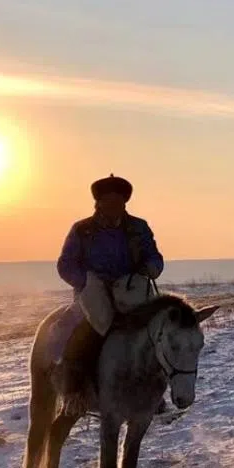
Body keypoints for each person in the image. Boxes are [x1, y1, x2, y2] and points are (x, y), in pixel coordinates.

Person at [55, 175, 164, 411]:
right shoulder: (82, 229)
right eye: (108, 201)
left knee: (156, 330)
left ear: (125, 203)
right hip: (93, 290)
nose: (114, 206)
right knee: (85, 330)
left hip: (129, 287)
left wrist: (150, 268)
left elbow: (154, 256)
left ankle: (155, 388)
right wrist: (86, 281)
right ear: (98, 203)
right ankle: (74, 390)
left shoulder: (139, 228)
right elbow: (65, 264)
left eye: (118, 201)